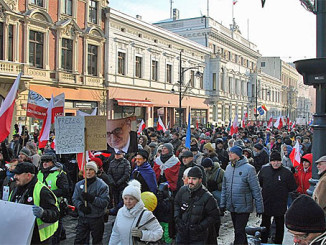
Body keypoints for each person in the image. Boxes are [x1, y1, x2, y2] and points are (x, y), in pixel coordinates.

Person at [220, 146, 264, 245]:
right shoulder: (228, 167)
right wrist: (222, 204)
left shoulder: (249, 169)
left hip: (244, 205)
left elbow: (256, 189)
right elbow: (224, 188)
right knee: (238, 230)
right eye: (229, 152)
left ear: (238, 155)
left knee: (239, 231)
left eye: (232, 152)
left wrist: (259, 207)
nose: (229, 154)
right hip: (232, 204)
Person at [9, 162, 60, 244]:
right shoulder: (16, 188)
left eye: (18, 174)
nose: (15, 177)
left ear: (28, 175)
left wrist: (43, 213)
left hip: (38, 239)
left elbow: (55, 214)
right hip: (20, 235)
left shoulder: (42, 191)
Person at [258, 150, 297, 244]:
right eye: (273, 161)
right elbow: (260, 182)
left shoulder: (286, 173)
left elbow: (292, 187)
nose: (275, 163)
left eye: (277, 161)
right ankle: (264, 241)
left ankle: (278, 242)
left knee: (279, 225)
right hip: (267, 202)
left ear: (281, 161)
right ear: (270, 162)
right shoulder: (264, 170)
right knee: (265, 223)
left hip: (280, 203)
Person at [174, 166, 220, 244]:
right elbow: (176, 204)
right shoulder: (182, 191)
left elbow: (214, 216)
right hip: (182, 233)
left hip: (198, 237)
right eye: (189, 178)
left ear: (200, 180)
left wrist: (200, 227)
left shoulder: (207, 197)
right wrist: (177, 219)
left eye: (194, 179)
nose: (190, 181)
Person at [109, 180, 163, 245]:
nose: (128, 201)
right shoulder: (120, 212)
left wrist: (142, 234)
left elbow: (159, 232)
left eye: (131, 199)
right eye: (125, 198)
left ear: (137, 200)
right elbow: (115, 233)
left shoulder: (146, 214)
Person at [72, 161, 110, 244]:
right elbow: (75, 198)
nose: (88, 172)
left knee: (97, 241)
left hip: (96, 218)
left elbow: (104, 202)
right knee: (80, 240)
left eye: (91, 170)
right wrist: (81, 206)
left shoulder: (102, 186)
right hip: (83, 218)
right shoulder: (79, 185)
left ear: (95, 171)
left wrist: (92, 199)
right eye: (86, 169)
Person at [37, 152, 70, 245]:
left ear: (53, 162)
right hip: (42, 206)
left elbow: (65, 190)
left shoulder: (59, 174)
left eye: (48, 161)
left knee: (55, 232)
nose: (45, 163)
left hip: (56, 206)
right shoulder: (39, 173)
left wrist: (48, 194)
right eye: (43, 161)